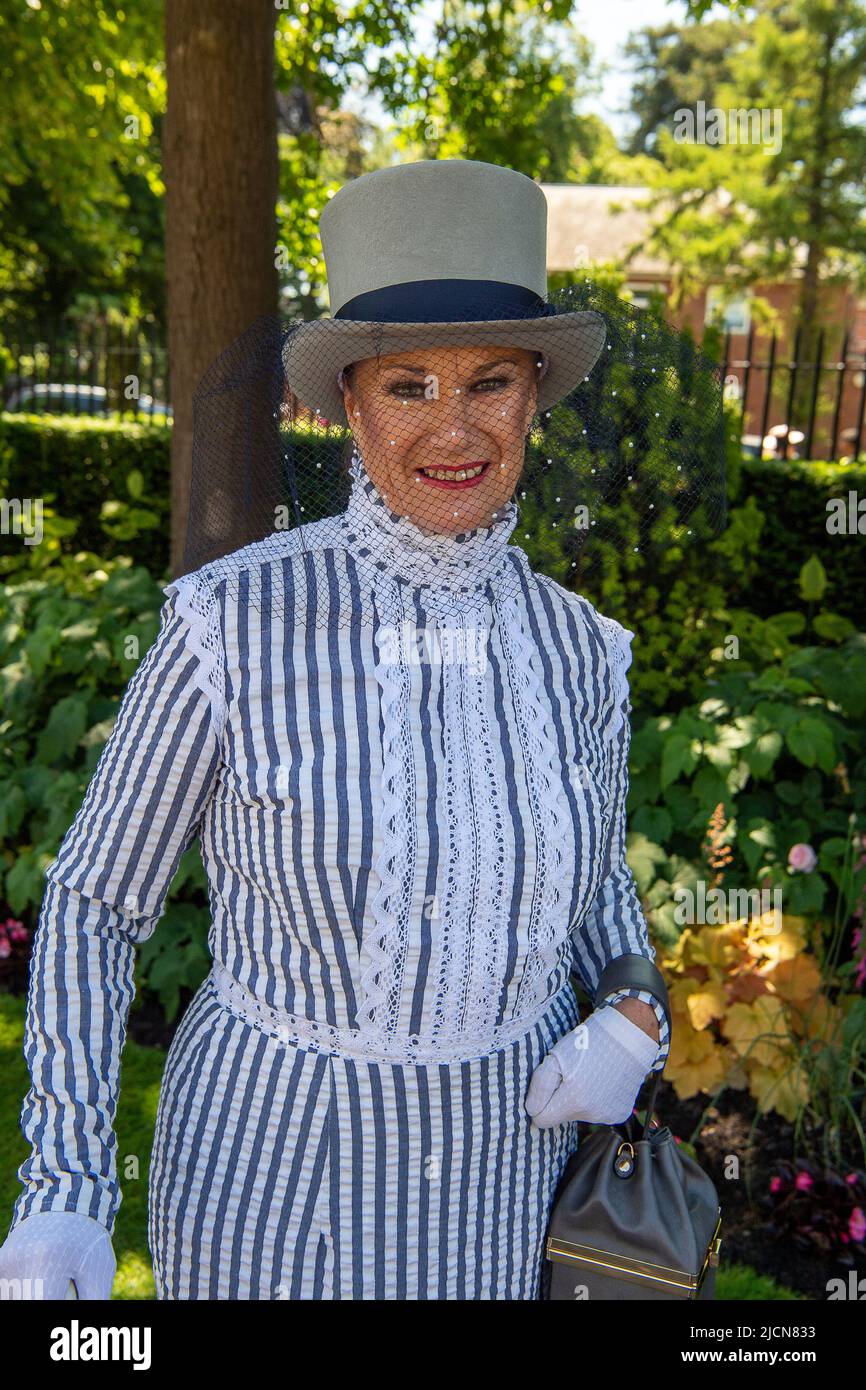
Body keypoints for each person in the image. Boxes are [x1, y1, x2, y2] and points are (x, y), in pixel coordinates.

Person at [1, 158, 723, 1300]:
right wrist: (66, 1191)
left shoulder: (584, 649)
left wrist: (633, 1008)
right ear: (346, 403)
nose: (454, 428)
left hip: (503, 1180)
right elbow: (95, 902)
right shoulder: (231, 623)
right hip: (268, 1183)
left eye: (489, 380)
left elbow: (594, 886)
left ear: (535, 393)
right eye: (406, 386)